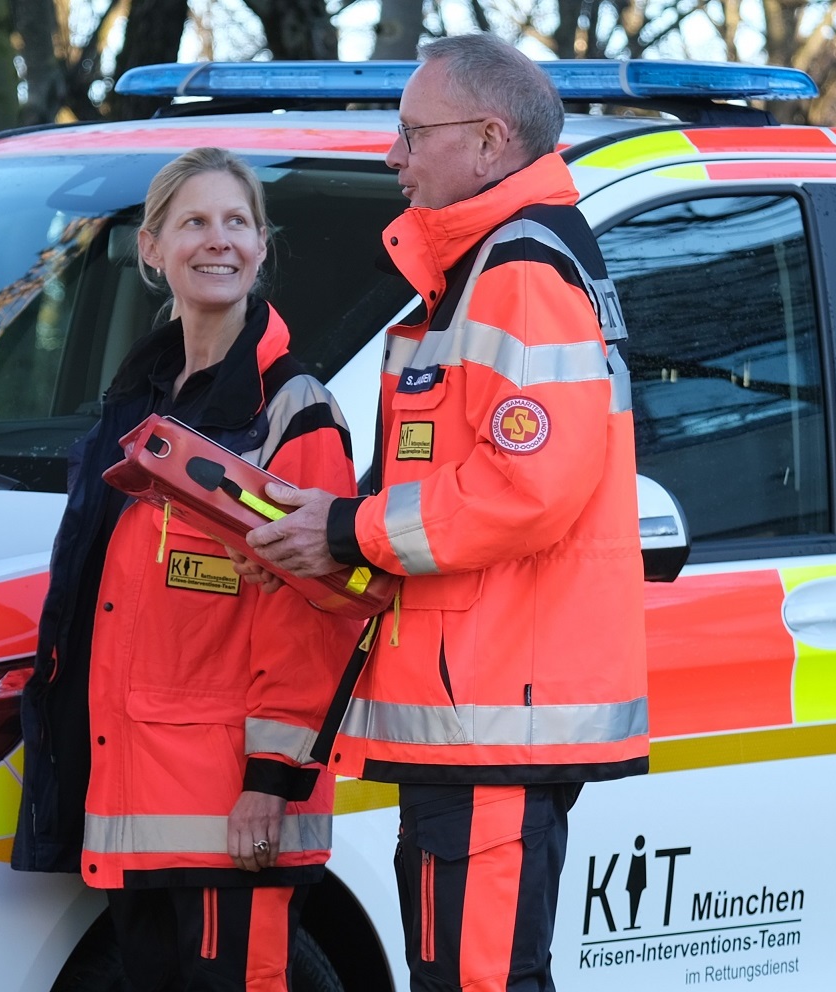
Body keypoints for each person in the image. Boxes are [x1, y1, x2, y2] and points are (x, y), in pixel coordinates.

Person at [245, 35, 650, 992]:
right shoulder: (488, 271)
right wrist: (345, 520)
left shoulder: (519, 274)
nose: (395, 154)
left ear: (487, 138)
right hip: (479, 709)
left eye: (412, 132)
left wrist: (349, 528)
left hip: (496, 709)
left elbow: (527, 489)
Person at [14, 147, 361, 991]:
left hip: (236, 810)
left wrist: (272, 784)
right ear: (152, 248)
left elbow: (317, 613)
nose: (220, 241)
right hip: (137, 806)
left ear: (262, 247)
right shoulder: (137, 403)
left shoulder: (290, 408)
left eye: (237, 222)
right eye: (195, 222)